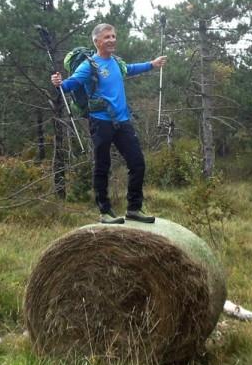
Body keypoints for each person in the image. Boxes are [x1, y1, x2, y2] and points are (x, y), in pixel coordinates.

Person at [51, 23, 167, 224]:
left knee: (137, 163)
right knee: (102, 166)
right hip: (101, 123)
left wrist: (152, 64)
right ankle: (105, 212)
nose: (112, 40)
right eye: (107, 37)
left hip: (123, 122)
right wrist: (60, 82)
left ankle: (134, 208)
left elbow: (129, 69)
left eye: (113, 36)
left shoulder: (116, 62)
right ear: (96, 42)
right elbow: (71, 84)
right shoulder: (89, 65)